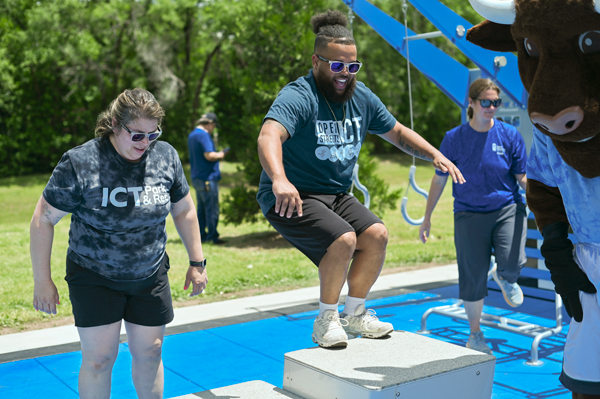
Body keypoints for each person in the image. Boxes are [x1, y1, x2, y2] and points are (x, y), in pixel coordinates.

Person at [256, 10, 464, 348]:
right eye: (337, 66)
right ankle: (326, 319)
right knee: (344, 239)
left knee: (377, 235)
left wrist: (435, 155)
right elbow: (269, 135)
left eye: (352, 67)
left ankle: (355, 313)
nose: (345, 74)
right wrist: (279, 178)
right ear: (316, 61)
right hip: (292, 193)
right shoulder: (300, 95)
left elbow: (397, 133)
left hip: (335, 193)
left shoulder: (361, 96)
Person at [30, 88, 208, 399]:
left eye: (153, 135)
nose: (146, 144)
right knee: (100, 359)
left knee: (151, 353)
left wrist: (197, 262)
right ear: (115, 124)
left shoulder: (165, 156)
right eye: (137, 135)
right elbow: (43, 218)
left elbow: (184, 209)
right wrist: (42, 281)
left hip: (149, 273)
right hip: (94, 276)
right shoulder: (82, 162)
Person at [419, 78, 528, 354]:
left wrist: (546, 198)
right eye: (486, 102)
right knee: (472, 277)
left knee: (512, 262)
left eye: (496, 103)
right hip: (468, 213)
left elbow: (521, 177)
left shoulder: (510, 135)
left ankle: (507, 277)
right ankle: (475, 334)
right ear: (471, 103)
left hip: (507, 208)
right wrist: (427, 216)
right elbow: (439, 180)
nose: (492, 107)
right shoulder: (454, 139)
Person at [188, 112, 228, 245]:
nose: (213, 129)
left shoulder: (192, 135)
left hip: (197, 177)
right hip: (207, 178)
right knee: (212, 208)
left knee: (201, 209)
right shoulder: (203, 135)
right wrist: (221, 154)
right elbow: (209, 155)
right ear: (210, 124)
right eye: (214, 126)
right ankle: (212, 236)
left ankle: (201, 235)